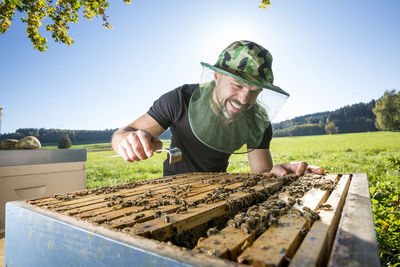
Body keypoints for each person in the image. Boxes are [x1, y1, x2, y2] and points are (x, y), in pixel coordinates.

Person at [111, 40, 323, 177]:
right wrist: (126, 142)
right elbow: (122, 134)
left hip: (218, 188)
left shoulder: (256, 120)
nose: (244, 99)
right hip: (172, 186)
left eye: (255, 91)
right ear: (216, 76)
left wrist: (282, 171)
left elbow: (263, 173)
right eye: (238, 85)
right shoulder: (179, 99)